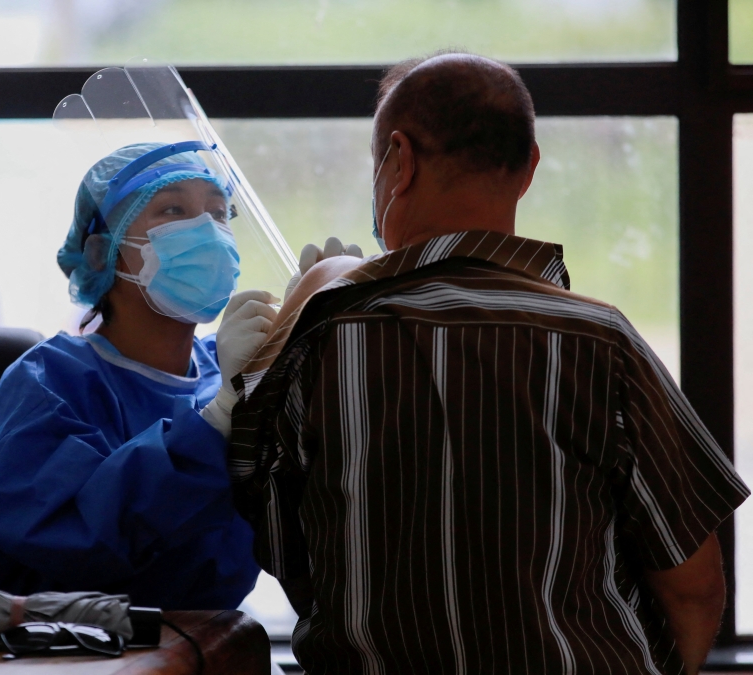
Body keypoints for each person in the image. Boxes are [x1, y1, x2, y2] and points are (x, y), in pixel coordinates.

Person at [229, 53, 749, 674]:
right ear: (529, 168)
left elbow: (282, 549)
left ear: (399, 160)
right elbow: (695, 588)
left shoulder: (320, 338)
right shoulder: (605, 342)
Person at [0, 142, 278, 610]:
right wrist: (217, 422)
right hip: (70, 653)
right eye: (173, 209)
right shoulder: (47, 386)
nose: (208, 231)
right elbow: (77, 542)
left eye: (219, 212)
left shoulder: (228, 374)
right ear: (99, 253)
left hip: (210, 643)